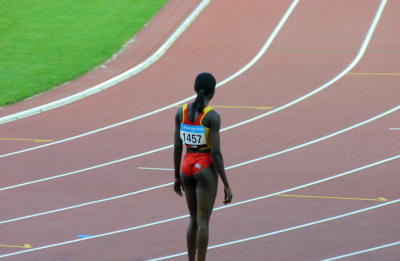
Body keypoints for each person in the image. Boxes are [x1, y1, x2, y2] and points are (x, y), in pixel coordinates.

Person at [173, 72, 233, 261]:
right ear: (213, 91)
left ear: (195, 88)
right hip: (204, 166)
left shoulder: (180, 112)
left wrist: (176, 176)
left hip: (186, 166)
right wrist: (226, 183)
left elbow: (177, 146)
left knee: (192, 220)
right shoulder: (212, 116)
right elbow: (215, 153)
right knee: (203, 222)